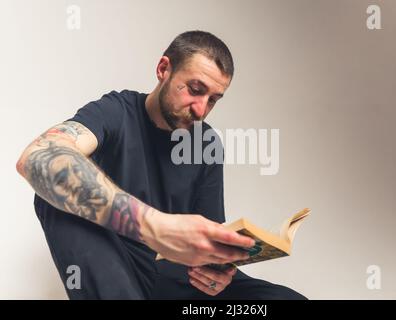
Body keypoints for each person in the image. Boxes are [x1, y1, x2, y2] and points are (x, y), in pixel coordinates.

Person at [16, 30, 307, 300]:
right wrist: (155, 226)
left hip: (182, 283)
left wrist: (218, 270)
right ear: (163, 69)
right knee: (56, 192)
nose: (201, 110)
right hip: (118, 271)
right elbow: (39, 156)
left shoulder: (206, 143)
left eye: (213, 100)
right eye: (195, 89)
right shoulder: (116, 111)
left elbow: (210, 233)